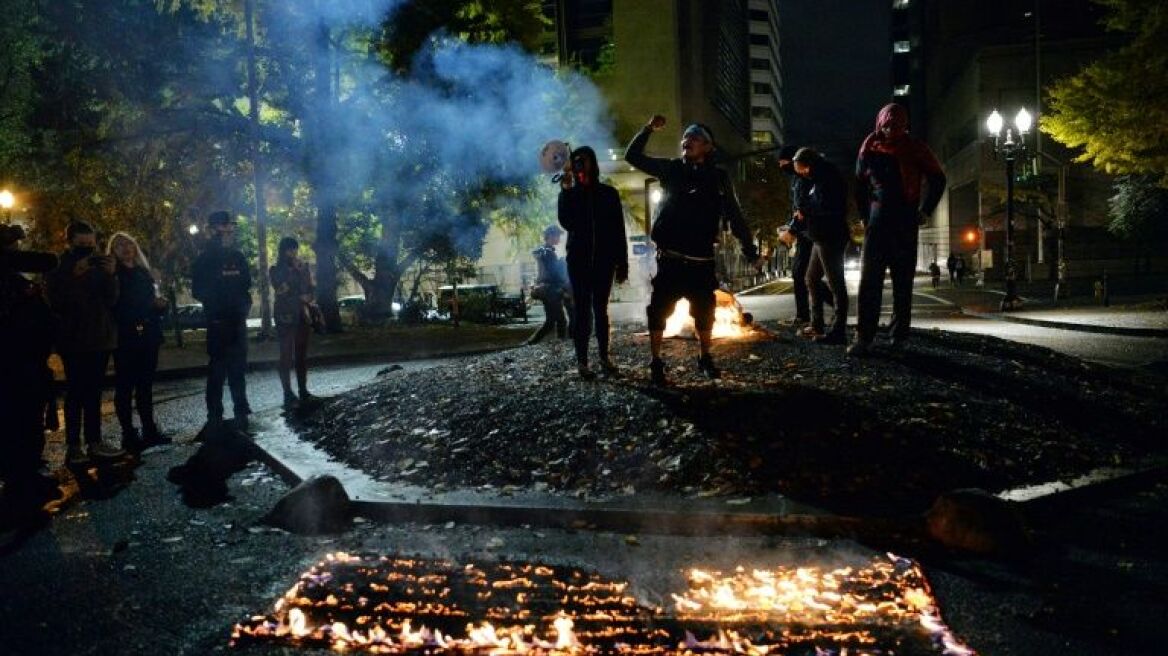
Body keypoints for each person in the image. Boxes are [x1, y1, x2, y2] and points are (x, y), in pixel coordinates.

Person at [625, 114, 763, 385]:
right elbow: (633, 156)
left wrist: (750, 251)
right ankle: (655, 360)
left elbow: (734, 216)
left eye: (696, 137)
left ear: (708, 147)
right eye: (686, 136)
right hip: (671, 259)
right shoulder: (672, 169)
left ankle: (704, 357)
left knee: (704, 311)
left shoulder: (719, 178)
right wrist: (647, 129)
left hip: (701, 260)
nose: (688, 139)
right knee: (658, 309)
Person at [850, 103, 946, 356]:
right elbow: (859, 185)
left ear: (905, 126)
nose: (892, 130)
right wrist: (863, 216)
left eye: (898, 126)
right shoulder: (868, 147)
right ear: (880, 124)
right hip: (877, 221)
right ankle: (864, 336)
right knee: (869, 281)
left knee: (903, 282)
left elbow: (938, 178)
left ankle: (899, 336)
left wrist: (925, 210)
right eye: (888, 125)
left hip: (905, 220)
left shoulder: (916, 148)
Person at [46, 221, 125, 462]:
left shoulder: (100, 265)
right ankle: (73, 446)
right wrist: (73, 277)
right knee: (76, 392)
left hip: (100, 338)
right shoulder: (58, 267)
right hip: (74, 340)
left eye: (90, 244)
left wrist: (112, 276)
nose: (87, 249)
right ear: (69, 242)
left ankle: (94, 442)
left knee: (94, 393)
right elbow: (57, 302)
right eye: (81, 245)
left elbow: (111, 300)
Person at [0, 224, 61, 504]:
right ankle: (21, 480)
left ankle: (25, 473)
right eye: (11, 244)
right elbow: (47, 261)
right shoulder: (9, 281)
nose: (16, 249)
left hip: (28, 361)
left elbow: (48, 261)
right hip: (14, 364)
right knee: (19, 423)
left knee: (26, 421)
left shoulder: (13, 276)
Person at [557, 145, 629, 378]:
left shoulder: (608, 193)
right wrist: (566, 191)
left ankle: (604, 358)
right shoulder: (571, 193)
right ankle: (582, 362)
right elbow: (567, 223)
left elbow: (619, 230)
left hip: (604, 261)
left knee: (601, 310)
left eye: (583, 160)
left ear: (593, 163)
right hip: (578, 261)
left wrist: (622, 262)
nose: (579, 164)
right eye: (575, 160)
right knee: (581, 312)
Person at [191, 210, 252, 433]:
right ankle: (215, 416)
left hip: (237, 322)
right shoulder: (205, 258)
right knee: (217, 372)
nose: (228, 230)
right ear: (212, 229)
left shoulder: (238, 256)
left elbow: (246, 285)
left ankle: (241, 411)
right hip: (218, 323)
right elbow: (198, 290)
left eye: (229, 226)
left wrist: (243, 307)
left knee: (238, 370)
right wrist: (217, 308)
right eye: (222, 226)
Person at [108, 232, 170, 452]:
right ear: (113, 251)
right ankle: (128, 433)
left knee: (145, 385)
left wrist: (161, 306)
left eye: (129, 244)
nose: (125, 248)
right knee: (125, 386)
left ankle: (149, 429)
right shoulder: (114, 276)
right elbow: (115, 306)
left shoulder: (145, 273)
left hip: (149, 333)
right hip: (126, 336)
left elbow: (153, 301)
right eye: (119, 245)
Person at [792, 147, 850, 345]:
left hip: (830, 235)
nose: (800, 173)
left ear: (807, 164)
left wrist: (804, 211)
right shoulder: (816, 177)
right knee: (811, 278)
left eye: (800, 168)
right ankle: (817, 324)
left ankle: (838, 330)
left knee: (836, 284)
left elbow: (826, 205)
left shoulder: (827, 176)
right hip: (819, 236)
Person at [778, 145, 829, 328]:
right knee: (804, 275)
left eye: (784, 162)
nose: (781, 166)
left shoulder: (806, 178)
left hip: (811, 232)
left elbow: (806, 207)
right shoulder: (798, 178)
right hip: (805, 232)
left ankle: (810, 316)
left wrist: (792, 228)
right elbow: (799, 208)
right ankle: (807, 316)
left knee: (804, 275)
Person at [270, 236, 317, 409]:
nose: (293, 253)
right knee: (286, 354)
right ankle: (287, 392)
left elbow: (310, 288)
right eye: (290, 249)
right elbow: (281, 288)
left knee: (301, 354)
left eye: (295, 249)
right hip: (285, 315)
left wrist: (309, 294)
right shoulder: (275, 269)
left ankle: (303, 389)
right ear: (282, 251)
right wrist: (293, 272)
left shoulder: (303, 268)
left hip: (302, 314)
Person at [526, 225, 572, 345]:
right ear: (551, 236)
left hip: (546, 290)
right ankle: (561, 343)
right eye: (557, 236)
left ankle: (531, 342)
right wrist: (562, 263)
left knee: (551, 321)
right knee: (561, 321)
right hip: (551, 291)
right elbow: (553, 273)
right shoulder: (548, 252)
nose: (559, 238)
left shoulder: (544, 251)